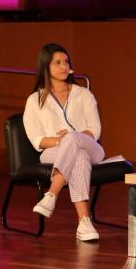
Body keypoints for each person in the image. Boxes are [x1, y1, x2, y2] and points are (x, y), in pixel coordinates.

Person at [23, 43, 104, 242]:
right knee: (78, 156)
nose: (63, 66)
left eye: (66, 62)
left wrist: (71, 137)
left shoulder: (83, 94)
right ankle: (84, 222)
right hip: (54, 151)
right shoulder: (35, 100)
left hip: (90, 146)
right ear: (45, 67)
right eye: (57, 62)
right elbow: (36, 139)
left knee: (75, 141)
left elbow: (94, 130)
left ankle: (51, 194)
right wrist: (60, 140)